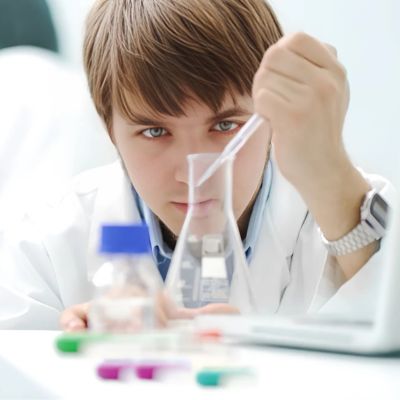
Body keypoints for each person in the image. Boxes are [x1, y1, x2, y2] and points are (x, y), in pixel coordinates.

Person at [0, 0, 393, 331]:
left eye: (225, 126)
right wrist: (71, 364)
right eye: (155, 132)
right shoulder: (45, 245)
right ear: (110, 128)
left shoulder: (345, 209)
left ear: (268, 114)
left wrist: (329, 173)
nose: (195, 173)